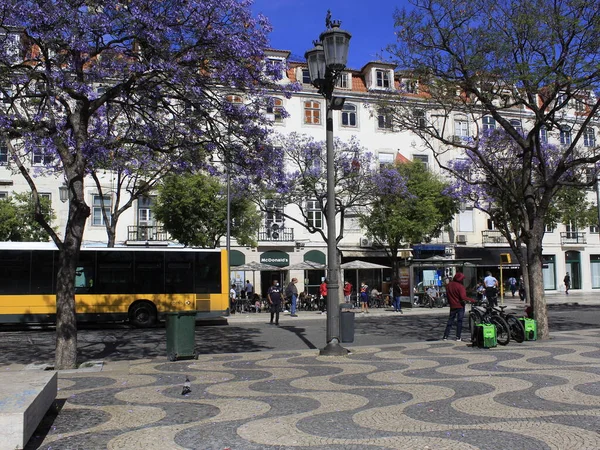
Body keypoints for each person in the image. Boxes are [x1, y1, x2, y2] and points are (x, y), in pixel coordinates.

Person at [442, 272, 475, 341]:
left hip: (452, 305)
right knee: (459, 321)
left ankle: (445, 336)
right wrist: (472, 300)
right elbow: (463, 297)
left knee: (450, 321)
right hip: (460, 305)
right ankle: (458, 336)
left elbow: (448, 295)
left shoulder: (449, 285)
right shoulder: (460, 287)